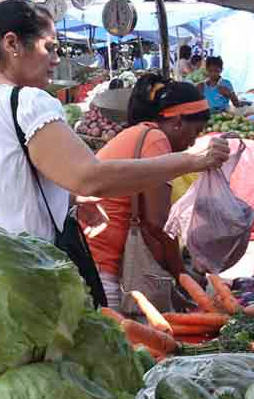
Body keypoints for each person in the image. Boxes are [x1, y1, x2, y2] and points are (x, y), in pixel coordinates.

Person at [0, 1, 229, 304]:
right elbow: (91, 178)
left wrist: (68, 199)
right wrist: (193, 160)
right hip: (19, 288)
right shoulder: (27, 101)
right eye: (49, 48)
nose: (55, 59)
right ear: (12, 43)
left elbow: (2, 182)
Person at [86, 74, 212, 308]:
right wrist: (182, 277)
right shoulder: (155, 140)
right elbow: (158, 224)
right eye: (195, 132)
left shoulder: (139, 134)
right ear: (177, 122)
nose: (193, 143)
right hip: (103, 263)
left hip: (97, 257)